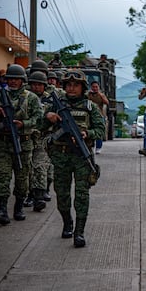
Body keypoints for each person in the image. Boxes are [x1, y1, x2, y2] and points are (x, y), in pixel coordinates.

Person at [41, 69, 105, 247]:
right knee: (61, 194)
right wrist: (48, 117)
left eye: (75, 85)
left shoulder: (90, 106)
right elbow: (39, 124)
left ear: (82, 87)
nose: (71, 88)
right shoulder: (55, 105)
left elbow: (101, 130)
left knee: (82, 195)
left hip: (81, 157)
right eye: (68, 85)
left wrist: (87, 133)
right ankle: (67, 222)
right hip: (60, 156)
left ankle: (79, 231)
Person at [0, 64, 43, 225]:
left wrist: (23, 124)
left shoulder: (31, 98)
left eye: (17, 79)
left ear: (22, 80)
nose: (13, 82)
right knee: (2, 176)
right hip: (2, 142)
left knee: (22, 177)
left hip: (23, 143)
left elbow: (38, 118)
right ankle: (1, 209)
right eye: (11, 79)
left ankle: (18, 206)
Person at [29, 71, 53, 211]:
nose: (36, 87)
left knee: (40, 167)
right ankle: (28, 194)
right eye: (33, 84)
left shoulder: (50, 100)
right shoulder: (25, 98)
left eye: (39, 84)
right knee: (27, 168)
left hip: (43, 138)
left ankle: (39, 196)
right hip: (26, 137)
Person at [88, 81, 109, 154]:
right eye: (93, 87)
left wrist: (101, 95)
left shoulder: (101, 95)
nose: (95, 88)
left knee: (99, 132)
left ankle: (98, 147)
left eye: (96, 87)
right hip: (89, 115)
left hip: (99, 115)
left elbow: (107, 102)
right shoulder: (88, 95)